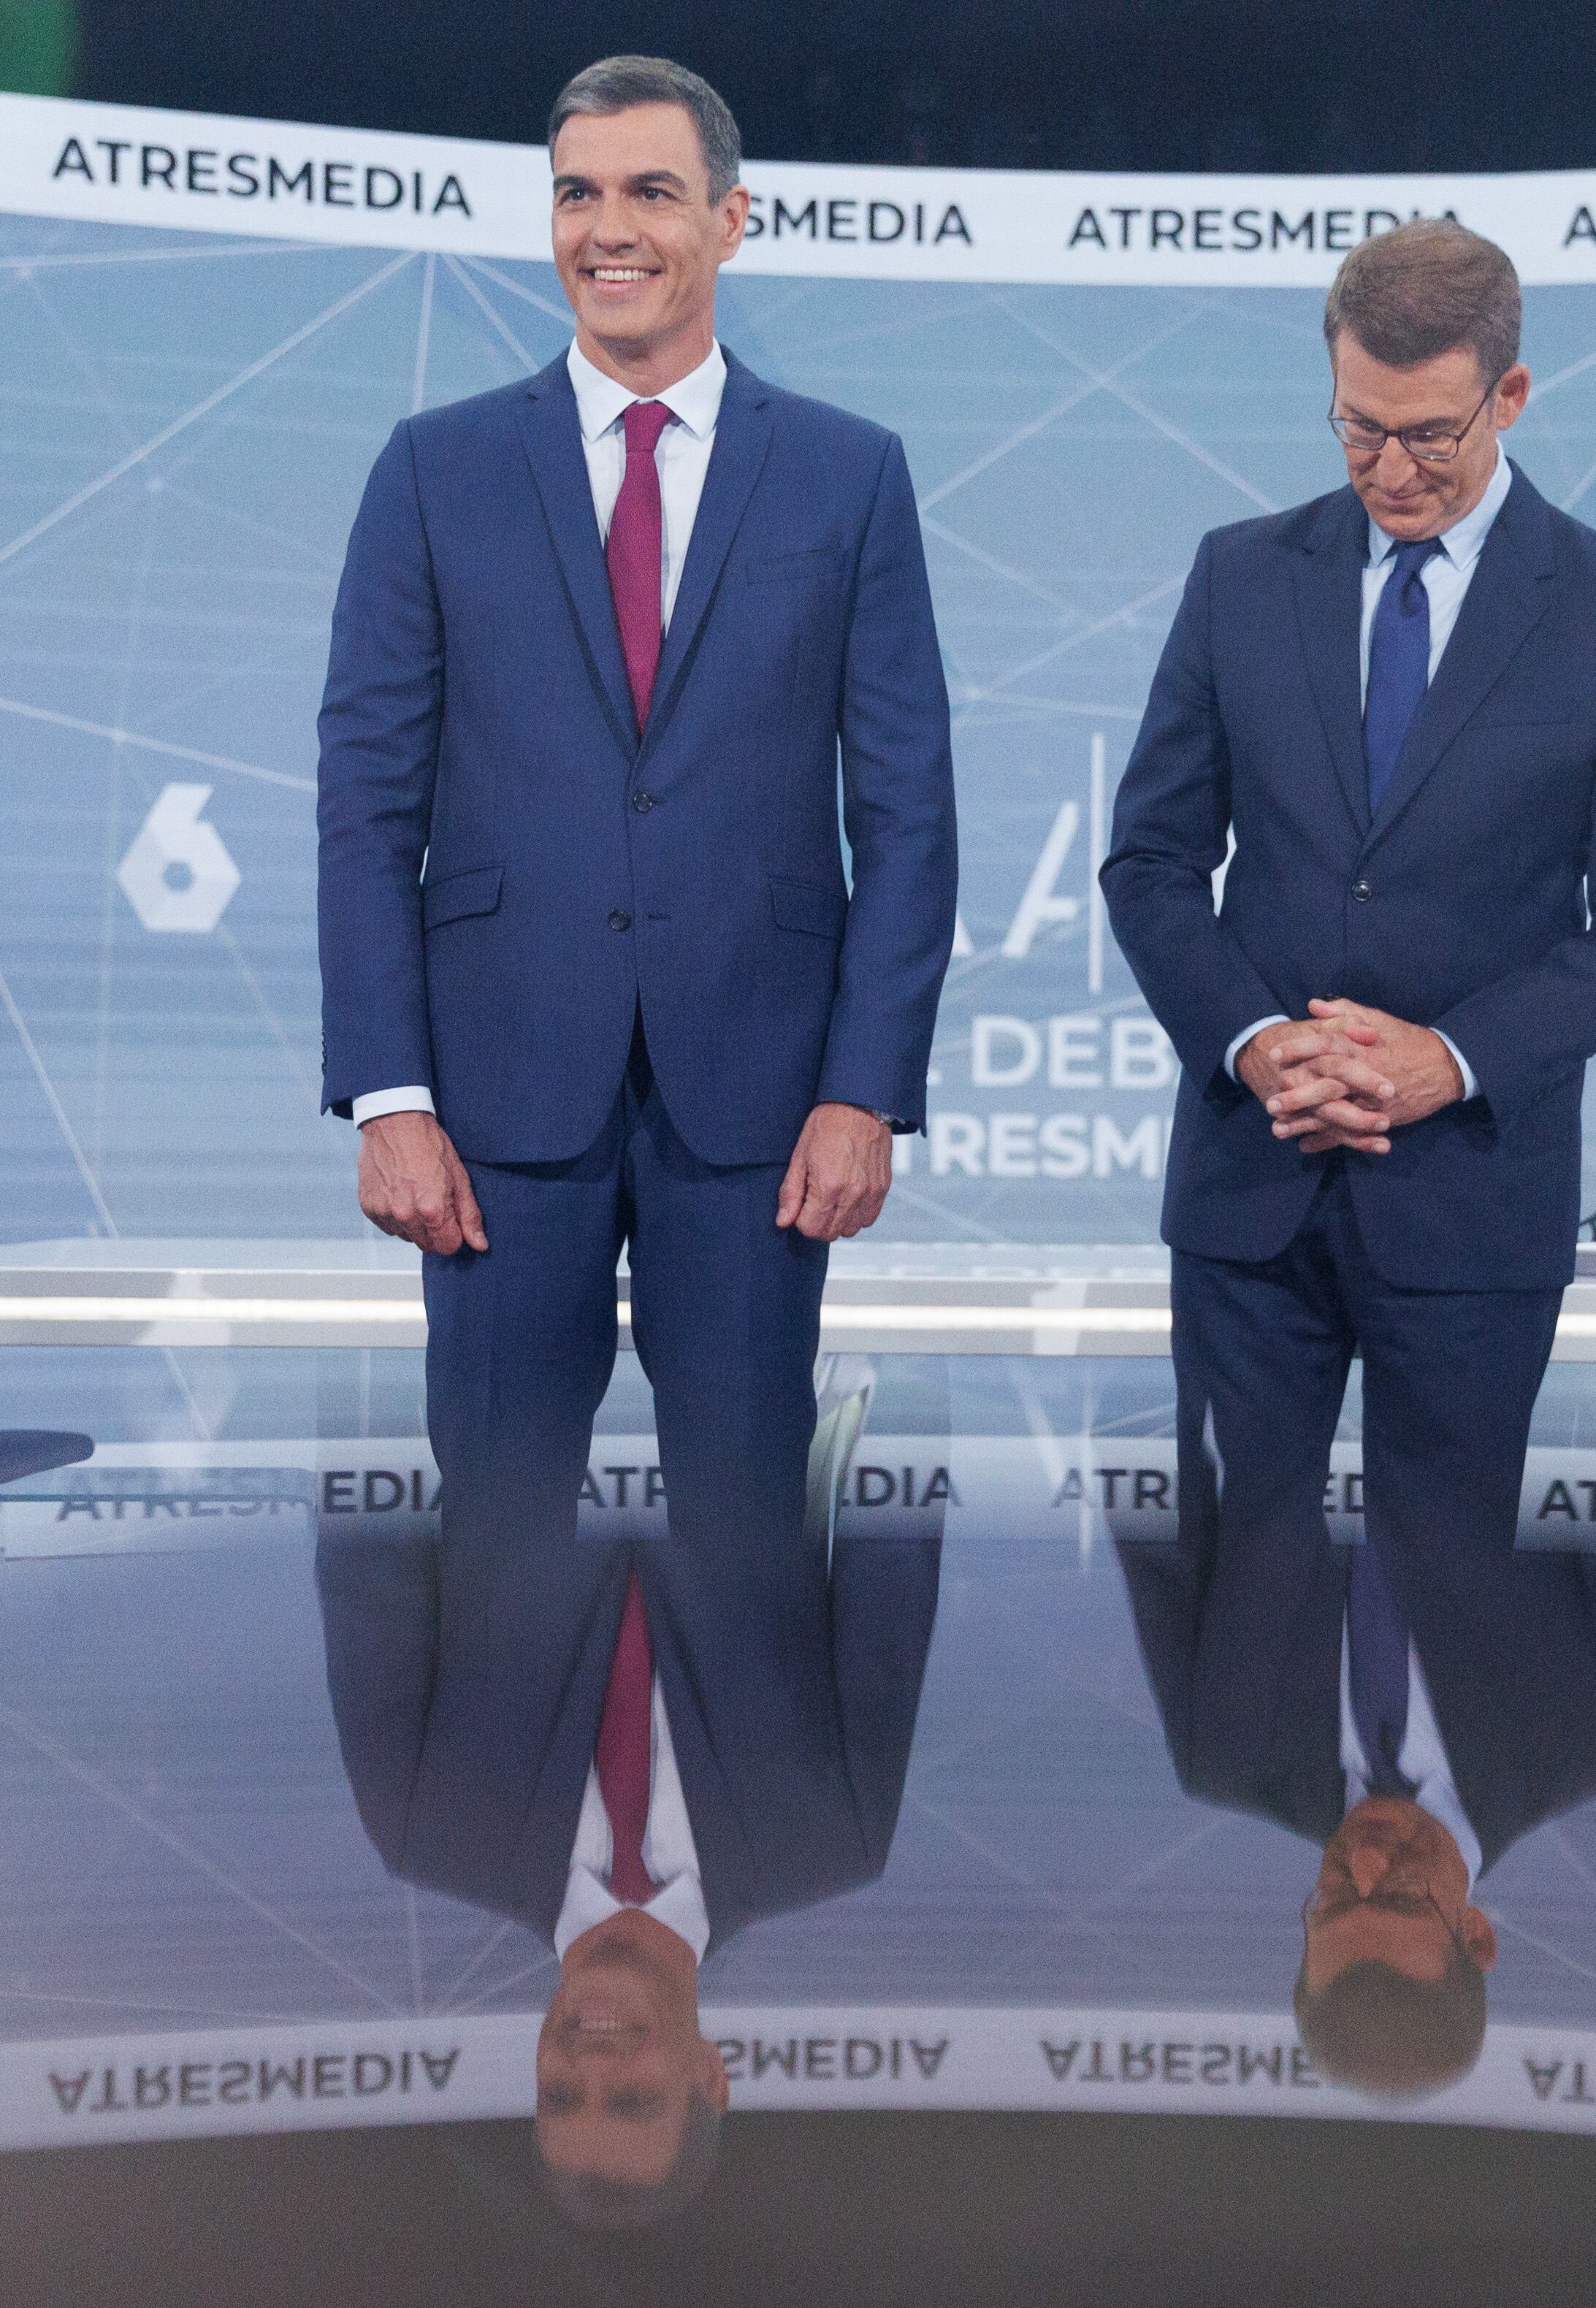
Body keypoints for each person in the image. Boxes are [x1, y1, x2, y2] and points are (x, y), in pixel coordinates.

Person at [1098, 217, 1596, 2099]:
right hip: (1250, 1194)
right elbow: (1147, 867)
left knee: (1457, 1528)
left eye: (1427, 437)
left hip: (1471, 1205)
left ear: (1509, 396)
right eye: (1359, 428)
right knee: (1263, 1529)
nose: (1385, 471)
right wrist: (1259, 1037)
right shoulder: (1237, 575)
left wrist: (1441, 1059)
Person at [313, 53, 956, 1751]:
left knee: (747, 1542)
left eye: (650, 193)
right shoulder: (432, 468)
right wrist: (387, 1096)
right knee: (499, 1539)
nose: (610, 230)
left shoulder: (848, 476)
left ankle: (722, 1906)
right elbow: (365, 806)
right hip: (491, 1108)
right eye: (578, 193)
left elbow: (903, 815)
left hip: (757, 1109)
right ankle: (517, 1916)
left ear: (729, 223)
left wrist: (863, 1085)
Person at [310, 1380, 942, 2225]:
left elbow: (365, 1532)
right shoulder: (830, 1838)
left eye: (561, 2095)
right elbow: (896, 1527)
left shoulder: (428, 1826)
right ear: (710, 2076)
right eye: (633, 2100)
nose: (591, 2065)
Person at [1119, 1519, 1596, 2101]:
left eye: (1335, 1899)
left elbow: (1142, 1475)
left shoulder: (1223, 1749)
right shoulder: (1593, 1732)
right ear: (1476, 1934)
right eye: (1401, 1896)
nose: (1365, 1859)